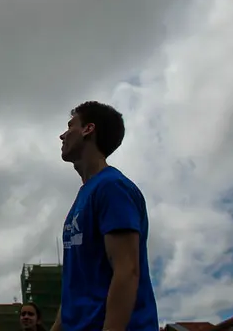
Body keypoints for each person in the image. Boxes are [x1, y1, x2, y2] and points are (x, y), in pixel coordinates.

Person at [52, 102, 158, 331]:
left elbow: (127, 271)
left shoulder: (112, 187)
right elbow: (76, 284)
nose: (62, 135)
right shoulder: (85, 195)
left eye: (70, 126)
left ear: (88, 129)